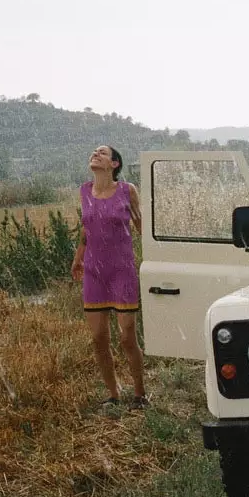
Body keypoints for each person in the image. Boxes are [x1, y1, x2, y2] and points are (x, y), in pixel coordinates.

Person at [70, 145, 148, 410]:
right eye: (93, 151)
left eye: (102, 152)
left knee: (127, 337)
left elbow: (141, 227)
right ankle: (113, 394)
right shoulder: (84, 191)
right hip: (94, 273)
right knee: (99, 338)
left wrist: (155, 259)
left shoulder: (128, 191)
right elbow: (86, 227)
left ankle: (140, 394)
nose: (95, 154)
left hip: (121, 272)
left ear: (114, 164)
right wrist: (78, 257)